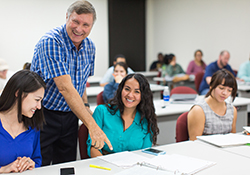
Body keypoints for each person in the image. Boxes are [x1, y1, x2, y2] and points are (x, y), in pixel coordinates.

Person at [30, 0, 112, 166]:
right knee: (41, 166)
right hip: (43, 113)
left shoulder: (90, 47)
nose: (79, 29)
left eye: (86, 25)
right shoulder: (52, 42)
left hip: (70, 115)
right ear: (67, 17)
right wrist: (93, 126)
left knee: (67, 165)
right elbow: (65, 88)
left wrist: (86, 105)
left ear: (91, 26)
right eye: (75, 21)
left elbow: (80, 83)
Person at [87, 73, 159, 157]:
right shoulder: (101, 112)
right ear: (121, 89)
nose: (130, 95)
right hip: (103, 165)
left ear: (143, 96)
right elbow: (93, 148)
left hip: (133, 166)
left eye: (137, 91)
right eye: (127, 89)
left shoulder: (147, 120)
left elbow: (145, 154)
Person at [0, 70, 46, 173]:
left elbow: (37, 160)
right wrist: (3, 169)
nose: (39, 107)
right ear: (18, 93)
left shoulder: (33, 126)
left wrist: (31, 164)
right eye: (37, 100)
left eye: (41, 101)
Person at [188, 69, 237, 141]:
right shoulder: (199, 110)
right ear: (211, 86)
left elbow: (233, 139)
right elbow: (194, 143)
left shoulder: (232, 110)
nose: (225, 93)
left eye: (229, 90)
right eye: (221, 88)